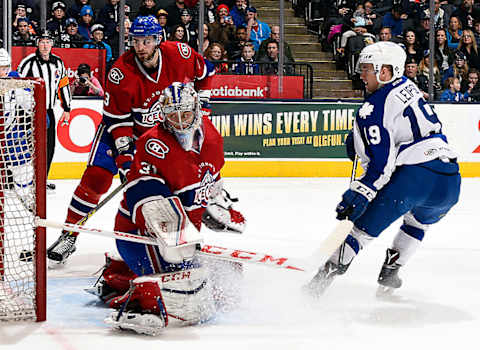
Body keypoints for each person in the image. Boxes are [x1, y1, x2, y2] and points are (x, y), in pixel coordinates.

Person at [46, 16, 245, 265]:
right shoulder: (120, 72)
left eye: (146, 41)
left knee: (166, 187)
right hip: (123, 132)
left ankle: (176, 231)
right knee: (96, 178)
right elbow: (118, 124)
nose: (140, 47)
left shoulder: (180, 54)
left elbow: (206, 71)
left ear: (158, 40)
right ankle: (69, 234)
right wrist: (127, 161)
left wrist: (203, 107)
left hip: (163, 133)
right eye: (136, 41)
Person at [305, 41, 461, 297]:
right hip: (450, 182)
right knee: (417, 223)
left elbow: (381, 166)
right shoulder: (409, 87)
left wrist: (360, 192)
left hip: (414, 178)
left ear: (386, 72)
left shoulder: (373, 107)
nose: (361, 74)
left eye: (367, 68)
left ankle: (316, 286)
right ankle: (391, 270)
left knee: (360, 232)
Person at [88, 82, 238, 336]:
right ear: (163, 115)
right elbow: (145, 196)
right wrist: (175, 237)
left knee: (223, 280)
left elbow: (212, 179)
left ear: (197, 110)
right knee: (189, 298)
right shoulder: (152, 143)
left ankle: (117, 273)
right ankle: (130, 298)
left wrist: (215, 204)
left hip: (184, 239)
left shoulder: (212, 138)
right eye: (172, 116)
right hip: (139, 235)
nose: (179, 122)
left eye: (186, 114)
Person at [17, 31, 72, 190]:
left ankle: (42, 179)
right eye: (42, 41)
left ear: (52, 44)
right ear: (37, 43)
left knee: (49, 147)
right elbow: (18, 86)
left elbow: (63, 85)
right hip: (30, 113)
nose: (45, 45)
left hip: (48, 111)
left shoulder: (58, 62)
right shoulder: (28, 62)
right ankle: (27, 179)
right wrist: (21, 111)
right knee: (28, 146)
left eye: (48, 41)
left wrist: (67, 107)